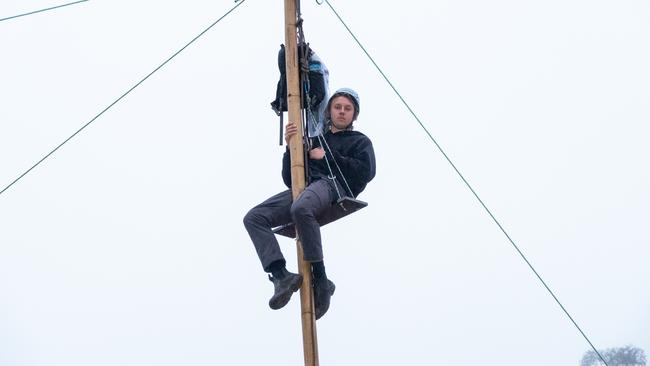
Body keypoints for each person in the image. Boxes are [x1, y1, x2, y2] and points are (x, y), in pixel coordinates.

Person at [243, 88, 376, 319]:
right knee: (254, 218)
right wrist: (291, 147)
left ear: (354, 115)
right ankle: (281, 275)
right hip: (306, 188)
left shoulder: (359, 141)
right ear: (329, 111)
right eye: (337, 107)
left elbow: (367, 171)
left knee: (302, 208)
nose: (342, 112)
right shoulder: (314, 139)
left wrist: (327, 157)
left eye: (347, 109)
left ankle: (321, 279)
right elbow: (288, 178)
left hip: (334, 187)